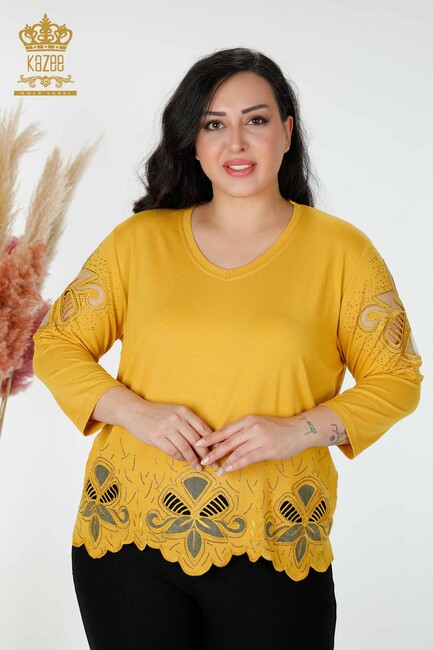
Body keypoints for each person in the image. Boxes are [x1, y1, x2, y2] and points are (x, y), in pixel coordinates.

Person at [32, 47, 423, 650]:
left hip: (275, 537)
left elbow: (396, 378)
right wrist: (134, 411)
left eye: (256, 120)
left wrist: (298, 430)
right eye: (214, 124)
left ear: (286, 133)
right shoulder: (138, 242)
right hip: (127, 539)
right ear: (193, 141)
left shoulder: (343, 252)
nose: (236, 142)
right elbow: (57, 343)